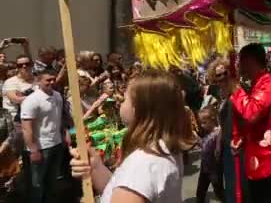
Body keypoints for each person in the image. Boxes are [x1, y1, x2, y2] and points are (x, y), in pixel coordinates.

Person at [70, 70, 197, 203]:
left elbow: (134, 181)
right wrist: (95, 166)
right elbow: (121, 187)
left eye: (125, 99)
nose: (121, 103)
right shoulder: (160, 147)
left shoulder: (142, 164)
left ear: (138, 108)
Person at [231, 43, 271, 203]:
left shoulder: (268, 82)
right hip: (259, 163)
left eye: (241, 60)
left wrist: (235, 90)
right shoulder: (256, 83)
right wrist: (242, 138)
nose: (238, 65)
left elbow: (252, 113)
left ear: (250, 61)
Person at [20, 69, 67, 203]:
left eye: (53, 79)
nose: (52, 82)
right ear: (38, 81)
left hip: (57, 144)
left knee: (52, 181)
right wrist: (33, 150)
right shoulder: (31, 101)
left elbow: (59, 118)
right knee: (37, 185)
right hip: (41, 148)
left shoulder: (57, 95)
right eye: (48, 80)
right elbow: (26, 127)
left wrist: (65, 133)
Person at [207, 57, 249, 203]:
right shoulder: (221, 94)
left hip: (238, 146)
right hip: (226, 146)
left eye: (225, 73)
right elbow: (222, 124)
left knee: (240, 186)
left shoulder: (238, 92)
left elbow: (248, 120)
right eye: (218, 75)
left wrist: (242, 140)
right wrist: (219, 144)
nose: (222, 78)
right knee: (230, 183)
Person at [196, 105, 225, 203]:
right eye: (201, 123)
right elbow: (205, 146)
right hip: (205, 168)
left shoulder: (217, 133)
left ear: (212, 119)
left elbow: (207, 146)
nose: (202, 125)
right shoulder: (208, 133)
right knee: (200, 192)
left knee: (219, 191)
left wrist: (197, 139)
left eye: (204, 122)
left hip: (214, 169)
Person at [2, 54, 35, 121]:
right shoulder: (10, 82)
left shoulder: (38, 80)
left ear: (32, 64)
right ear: (17, 67)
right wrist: (39, 96)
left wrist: (24, 96)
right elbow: (16, 99)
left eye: (27, 64)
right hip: (17, 119)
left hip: (36, 116)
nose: (24, 66)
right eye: (20, 65)